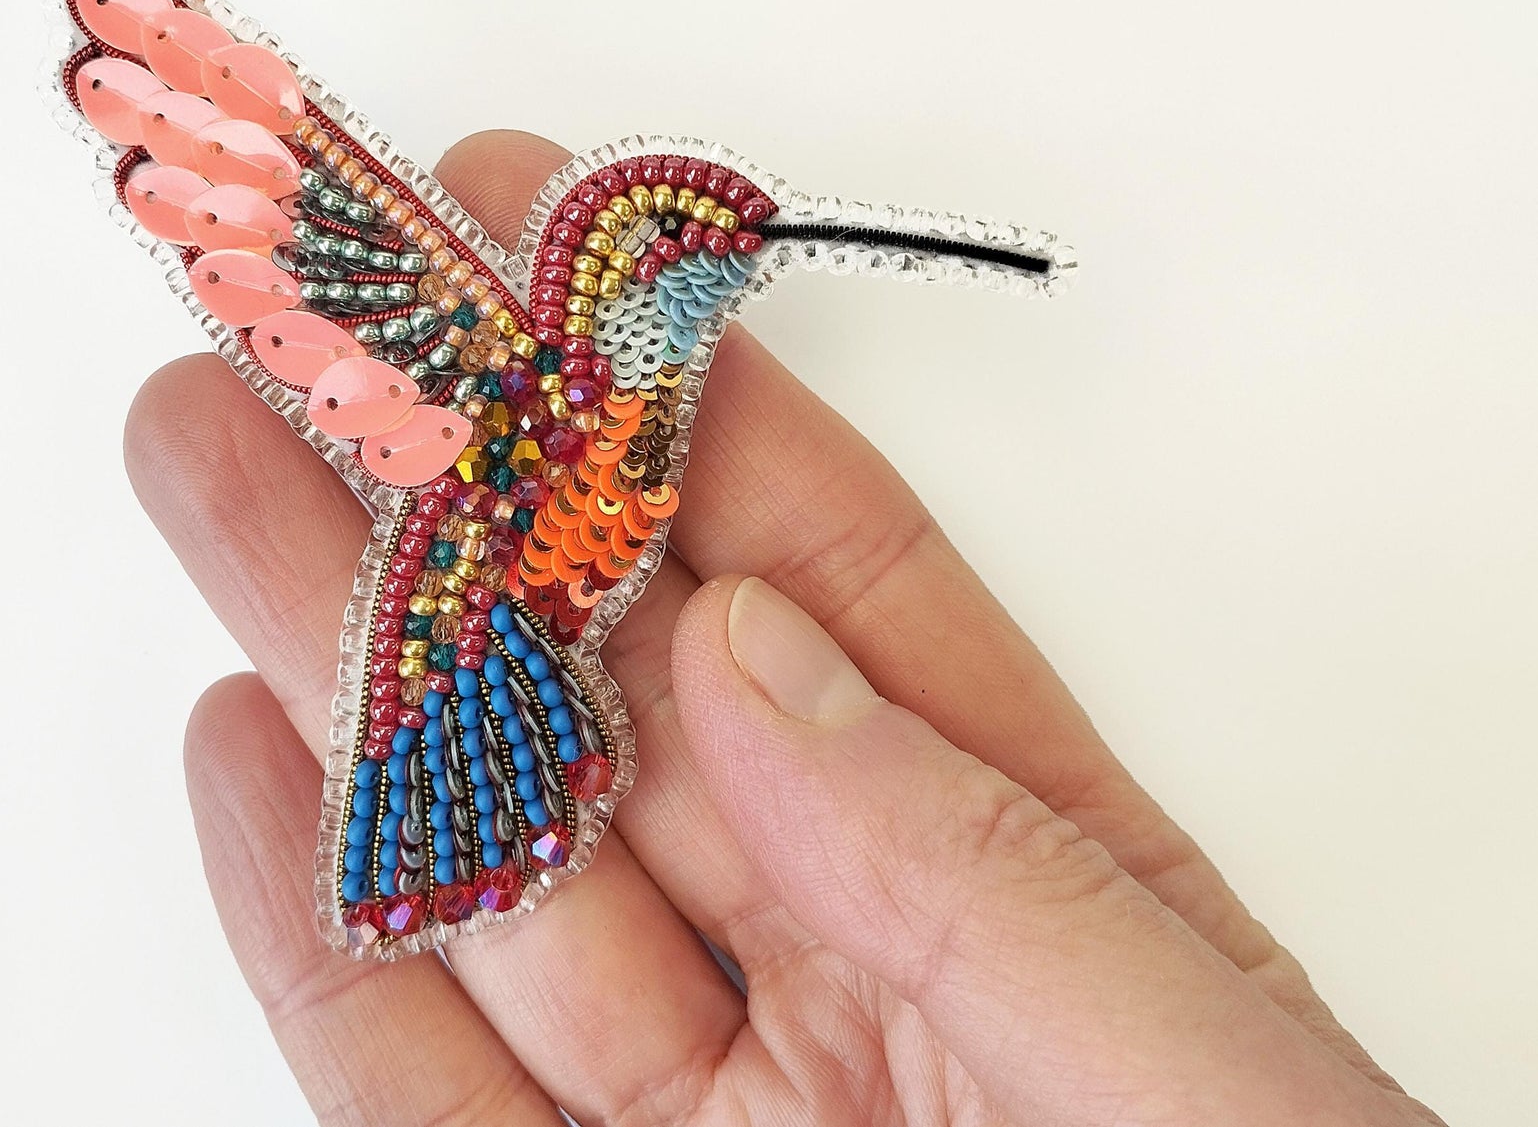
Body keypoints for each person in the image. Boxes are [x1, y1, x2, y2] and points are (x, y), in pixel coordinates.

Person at [124, 131, 1444, 1126]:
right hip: (474, 612)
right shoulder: (519, 374)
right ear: (635, 275)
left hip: (529, 618)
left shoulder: (652, 407)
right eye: (700, 253)